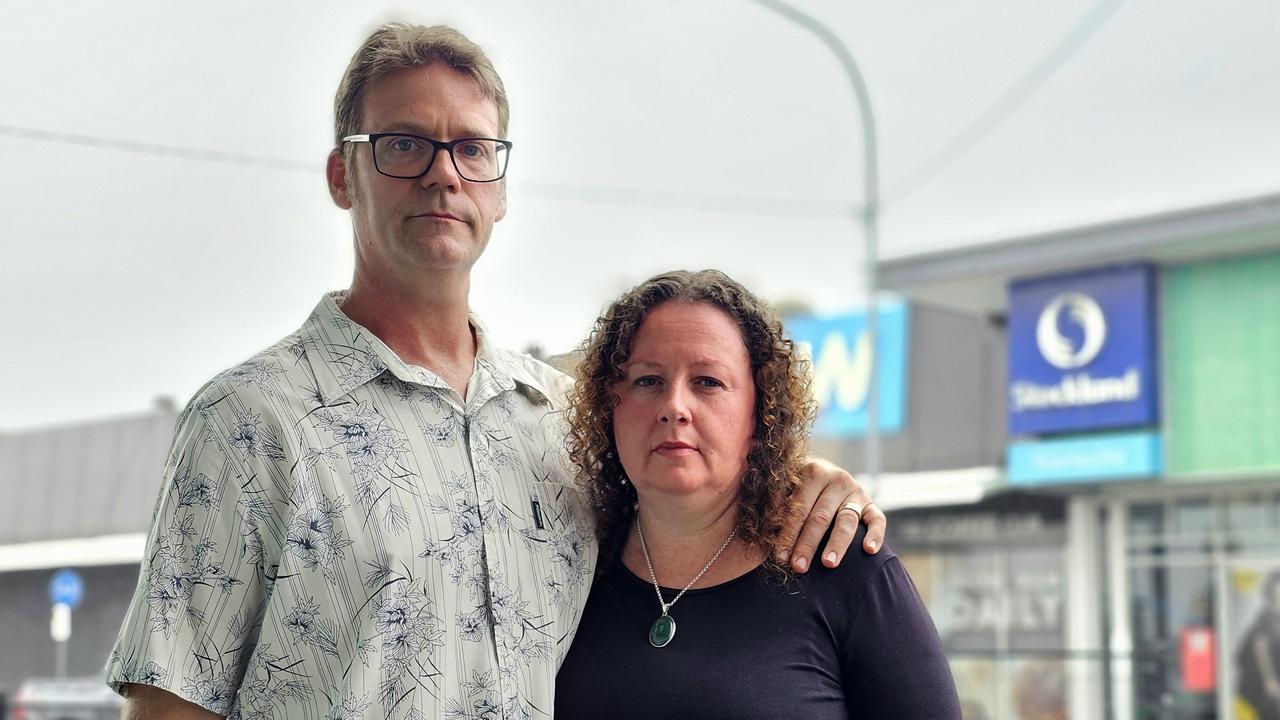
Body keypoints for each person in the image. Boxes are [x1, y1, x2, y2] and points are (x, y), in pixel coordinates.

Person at [105, 23, 887, 720]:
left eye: (473, 149)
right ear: (343, 176)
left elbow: (691, 512)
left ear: (501, 190)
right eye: (404, 144)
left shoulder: (562, 423)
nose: (444, 175)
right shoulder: (247, 422)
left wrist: (808, 478)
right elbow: (171, 703)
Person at [555, 270, 960, 719]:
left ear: (760, 412)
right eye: (647, 380)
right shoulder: (567, 557)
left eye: (708, 381)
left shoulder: (844, 565)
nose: (674, 407)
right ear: (609, 405)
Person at [1237, 571, 1280, 720]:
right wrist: (1270, 679)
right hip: (1267, 689)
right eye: (1277, 594)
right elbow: (1260, 647)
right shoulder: (1266, 618)